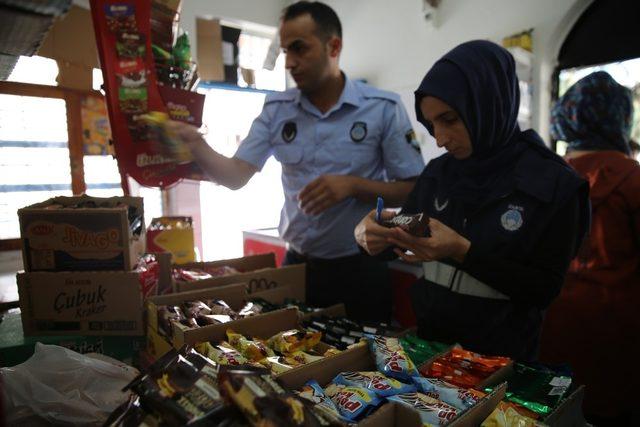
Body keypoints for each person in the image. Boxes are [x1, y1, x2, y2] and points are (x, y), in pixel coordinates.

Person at [171, 1, 424, 322]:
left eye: (300, 49)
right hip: (297, 266)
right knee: (291, 360)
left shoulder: (382, 108)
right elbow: (236, 176)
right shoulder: (276, 110)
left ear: (334, 46)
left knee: (364, 365)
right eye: (286, 50)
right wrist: (195, 142)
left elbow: (414, 189)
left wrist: (353, 186)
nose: (289, 62)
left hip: (360, 268)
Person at [354, 40, 590, 360]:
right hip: (431, 352)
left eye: (449, 119)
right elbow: (404, 239)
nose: (439, 139)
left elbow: (542, 290)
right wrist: (371, 237)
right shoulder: (439, 173)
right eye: (432, 123)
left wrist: (462, 251)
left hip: (502, 364)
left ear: (488, 103)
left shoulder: (555, 184)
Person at [540, 71, 640, 426]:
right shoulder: (632, 178)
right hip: (617, 334)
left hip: (550, 325)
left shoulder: (546, 177)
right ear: (621, 117)